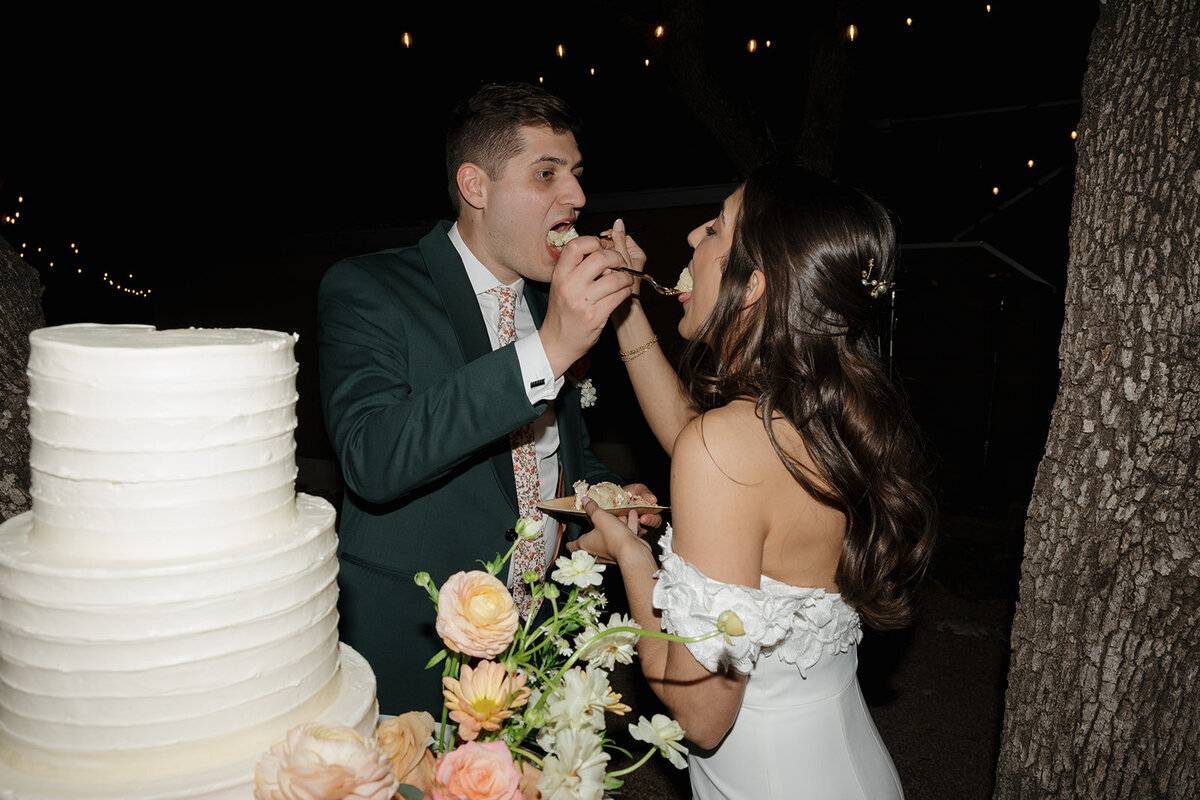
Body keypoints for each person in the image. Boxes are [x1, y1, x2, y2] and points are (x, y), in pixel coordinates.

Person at [573, 164, 937, 799]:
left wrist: (632, 557)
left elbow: (702, 715)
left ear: (753, 286)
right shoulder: (822, 417)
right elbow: (696, 436)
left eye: (715, 229)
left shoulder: (728, 445)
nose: (691, 237)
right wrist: (627, 307)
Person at [317, 82, 657, 716]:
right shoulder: (369, 288)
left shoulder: (546, 301)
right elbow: (371, 458)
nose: (578, 197)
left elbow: (554, 457)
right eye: (547, 174)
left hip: (541, 646)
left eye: (577, 175)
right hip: (414, 654)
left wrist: (606, 496)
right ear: (475, 187)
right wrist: (550, 349)